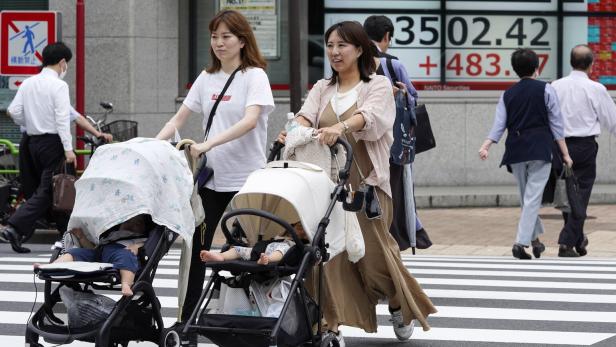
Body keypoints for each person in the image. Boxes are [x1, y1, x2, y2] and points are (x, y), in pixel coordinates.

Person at [288, 21, 436, 344]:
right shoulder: (321, 88)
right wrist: (295, 129)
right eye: (330, 45)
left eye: (342, 45)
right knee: (328, 258)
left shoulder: (378, 85)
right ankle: (329, 323)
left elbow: (370, 119)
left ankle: (397, 303)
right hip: (327, 186)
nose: (334, 52)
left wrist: (340, 128)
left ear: (359, 49)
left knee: (374, 259)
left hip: (365, 185)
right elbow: (305, 115)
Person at [155, 9, 274, 329]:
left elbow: (250, 121)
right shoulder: (206, 79)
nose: (219, 43)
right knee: (196, 248)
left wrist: (208, 144)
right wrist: (152, 145)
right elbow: (178, 119)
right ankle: (188, 317)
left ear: (242, 40)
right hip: (211, 180)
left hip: (247, 179)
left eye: (226, 37)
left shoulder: (255, 76)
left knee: (246, 251)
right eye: (214, 36)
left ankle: (253, 317)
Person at [478, 48, 573, 260]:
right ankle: (520, 243)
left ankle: (536, 241)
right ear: (536, 68)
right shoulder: (546, 90)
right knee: (531, 199)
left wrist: (486, 146)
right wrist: (565, 154)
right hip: (540, 148)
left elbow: (499, 125)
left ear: (515, 70)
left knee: (526, 198)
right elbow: (557, 125)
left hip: (516, 150)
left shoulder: (507, 94)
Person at [2, 42, 76, 254]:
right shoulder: (59, 86)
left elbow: (13, 111)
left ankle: (64, 236)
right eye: (66, 64)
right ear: (62, 63)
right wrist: (68, 149)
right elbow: (62, 119)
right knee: (51, 189)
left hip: (32, 142)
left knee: (44, 189)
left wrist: (31, 120)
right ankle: (15, 227)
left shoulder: (28, 83)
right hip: (53, 143)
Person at [363, 15, 429, 251]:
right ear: (387, 37)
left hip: (364, 136)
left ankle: (374, 236)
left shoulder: (356, 61)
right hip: (394, 141)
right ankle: (398, 237)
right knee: (395, 188)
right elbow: (411, 97)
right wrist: (401, 93)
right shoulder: (393, 64)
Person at [551, 44, 616, 257]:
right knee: (581, 194)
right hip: (585, 146)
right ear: (591, 65)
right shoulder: (596, 89)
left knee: (568, 193)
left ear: (571, 62)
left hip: (559, 146)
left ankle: (578, 239)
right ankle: (566, 242)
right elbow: (612, 120)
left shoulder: (555, 86)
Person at [34, 215, 148, 296]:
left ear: (144, 228)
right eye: (127, 222)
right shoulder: (113, 234)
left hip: (121, 254)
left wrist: (137, 246)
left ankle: (126, 284)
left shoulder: (140, 238)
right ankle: (51, 267)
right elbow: (93, 248)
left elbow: (145, 244)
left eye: (137, 223)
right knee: (76, 252)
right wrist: (81, 237)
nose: (131, 225)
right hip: (101, 253)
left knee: (126, 257)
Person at [200, 221, 306, 265]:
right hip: (258, 251)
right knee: (238, 250)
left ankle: (267, 260)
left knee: (282, 250)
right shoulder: (283, 235)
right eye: (299, 227)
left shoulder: (298, 245)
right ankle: (221, 256)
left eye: (304, 231)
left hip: (277, 254)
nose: (301, 232)